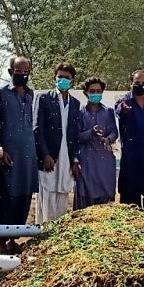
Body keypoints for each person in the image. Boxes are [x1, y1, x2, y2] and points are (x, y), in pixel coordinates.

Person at [0, 57, 39, 253]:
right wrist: (0, 148)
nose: (23, 74)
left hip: (28, 156)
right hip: (9, 155)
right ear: (11, 71)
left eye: (26, 71)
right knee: (6, 198)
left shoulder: (31, 95)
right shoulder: (1, 95)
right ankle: (2, 242)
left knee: (24, 197)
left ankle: (14, 239)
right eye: (18, 71)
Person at [35, 63, 82, 224]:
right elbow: (38, 129)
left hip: (67, 157)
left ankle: (57, 237)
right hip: (49, 157)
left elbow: (75, 134)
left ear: (72, 81)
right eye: (60, 77)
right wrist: (45, 154)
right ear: (54, 77)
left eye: (66, 78)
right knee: (47, 194)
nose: (63, 80)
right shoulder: (44, 98)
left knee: (63, 195)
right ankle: (43, 233)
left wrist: (75, 160)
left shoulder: (75, 103)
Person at [115, 69, 144, 208]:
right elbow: (119, 112)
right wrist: (123, 110)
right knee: (130, 207)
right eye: (137, 82)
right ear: (131, 83)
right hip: (131, 161)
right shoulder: (123, 101)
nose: (140, 85)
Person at [75, 77, 118, 209]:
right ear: (85, 92)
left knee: (105, 203)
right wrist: (90, 133)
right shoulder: (80, 113)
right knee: (84, 202)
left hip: (105, 162)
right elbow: (76, 136)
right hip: (86, 163)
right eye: (92, 91)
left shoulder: (109, 112)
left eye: (98, 91)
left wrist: (108, 139)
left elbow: (114, 132)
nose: (95, 93)